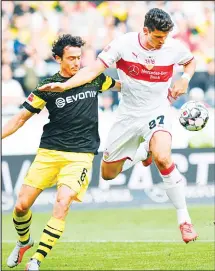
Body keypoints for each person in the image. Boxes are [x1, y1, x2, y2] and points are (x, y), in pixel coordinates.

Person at [38, 8, 198, 243]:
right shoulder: (123, 44)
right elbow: (93, 70)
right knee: (108, 174)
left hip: (158, 111)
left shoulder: (173, 47)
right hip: (128, 115)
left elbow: (190, 62)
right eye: (157, 37)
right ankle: (143, 152)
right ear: (145, 30)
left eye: (165, 37)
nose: (162, 42)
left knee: (163, 158)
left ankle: (184, 221)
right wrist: (65, 86)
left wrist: (185, 78)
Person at [2, 34, 120, 271]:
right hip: (49, 153)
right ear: (58, 58)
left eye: (79, 58)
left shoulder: (93, 78)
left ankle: (36, 261)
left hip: (81, 155)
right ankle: (25, 242)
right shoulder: (47, 86)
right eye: (71, 58)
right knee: (21, 207)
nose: (76, 63)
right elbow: (20, 118)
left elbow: (123, 86)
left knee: (62, 202)